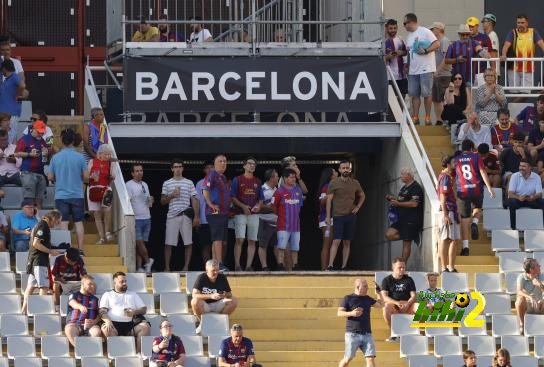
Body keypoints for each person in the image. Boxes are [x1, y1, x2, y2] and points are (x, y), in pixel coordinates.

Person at [48, 128, 88, 252]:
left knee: (63, 222)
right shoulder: (80, 157)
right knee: (78, 222)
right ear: (73, 141)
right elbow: (86, 176)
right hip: (77, 194)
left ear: (62, 141)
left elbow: (50, 177)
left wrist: (57, 178)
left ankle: (66, 249)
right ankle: (80, 249)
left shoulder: (55, 158)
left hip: (61, 195)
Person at [455, 139, 495, 256]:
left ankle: (466, 247)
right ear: (472, 148)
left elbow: (453, 174)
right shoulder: (476, 157)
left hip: (463, 190)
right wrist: (489, 188)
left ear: (462, 148)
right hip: (476, 188)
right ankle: (475, 222)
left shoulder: (457, 159)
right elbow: (483, 172)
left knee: (464, 218)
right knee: (478, 208)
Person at [326, 161, 365, 271]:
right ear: (339, 170)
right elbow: (329, 201)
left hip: (351, 215)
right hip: (338, 215)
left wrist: (358, 207)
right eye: (343, 168)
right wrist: (328, 216)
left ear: (350, 169)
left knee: (347, 241)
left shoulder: (355, 183)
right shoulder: (334, 182)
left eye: (347, 168)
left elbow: (362, 195)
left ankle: (344, 266)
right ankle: (330, 265)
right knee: (336, 240)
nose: (345, 170)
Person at [161, 159, 199, 272]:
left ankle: (186, 267)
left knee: (188, 242)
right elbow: (162, 201)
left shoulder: (189, 182)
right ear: (172, 168)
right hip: (172, 216)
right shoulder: (167, 183)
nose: (178, 169)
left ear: (182, 168)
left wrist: (196, 216)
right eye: (176, 167)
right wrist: (172, 195)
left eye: (180, 166)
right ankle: (167, 267)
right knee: (168, 243)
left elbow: (194, 199)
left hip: (186, 215)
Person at [21, 210, 62, 314]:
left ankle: (23, 311)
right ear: (53, 218)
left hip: (35, 260)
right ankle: (40, 311)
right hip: (39, 261)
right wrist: (50, 251)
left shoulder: (41, 225)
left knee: (30, 287)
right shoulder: (43, 226)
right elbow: (36, 244)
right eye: (58, 222)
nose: (58, 224)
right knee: (43, 287)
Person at [337, 279, 384, 367]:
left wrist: (379, 292)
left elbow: (381, 305)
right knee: (347, 359)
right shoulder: (348, 298)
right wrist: (352, 313)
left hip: (367, 334)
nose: (367, 288)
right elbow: (339, 313)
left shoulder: (368, 298)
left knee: (370, 358)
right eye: (365, 286)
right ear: (358, 287)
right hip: (352, 334)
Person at [403, 13, 439, 125]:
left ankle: (427, 117)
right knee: (414, 94)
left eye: (405, 23)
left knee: (426, 94)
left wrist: (426, 50)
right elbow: (409, 52)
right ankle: (415, 117)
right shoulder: (409, 36)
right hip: (413, 70)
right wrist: (407, 65)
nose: (404, 26)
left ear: (412, 22)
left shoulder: (425, 31)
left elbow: (437, 43)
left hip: (426, 69)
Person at [99, 272, 150, 352]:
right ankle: (116, 353)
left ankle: (138, 354)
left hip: (130, 325)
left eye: (125, 281)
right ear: (115, 282)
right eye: (122, 281)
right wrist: (108, 321)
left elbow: (144, 309)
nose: (125, 283)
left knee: (145, 327)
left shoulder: (133, 294)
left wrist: (134, 312)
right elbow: (102, 311)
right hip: (113, 325)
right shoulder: (107, 294)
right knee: (106, 328)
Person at [385, 168, 424, 263]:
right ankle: (412, 235)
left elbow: (414, 204)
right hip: (401, 219)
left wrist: (398, 204)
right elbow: (402, 201)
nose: (400, 176)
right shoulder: (404, 187)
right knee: (389, 234)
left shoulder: (416, 187)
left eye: (403, 174)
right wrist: (393, 199)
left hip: (411, 219)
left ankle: (403, 265)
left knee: (406, 243)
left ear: (409, 175)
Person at [231, 157, 262, 272]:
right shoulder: (237, 180)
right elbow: (233, 197)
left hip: (254, 215)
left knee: (252, 240)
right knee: (240, 239)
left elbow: (261, 199)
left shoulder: (258, 181)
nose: (252, 166)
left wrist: (258, 206)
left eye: (254, 164)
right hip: (240, 214)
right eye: (249, 164)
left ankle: (248, 266)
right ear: (244, 166)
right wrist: (243, 207)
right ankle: (237, 265)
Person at [500, 14, 544, 95]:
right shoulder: (513, 32)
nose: (520, 24)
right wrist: (503, 54)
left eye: (522, 22)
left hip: (528, 68)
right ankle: (515, 107)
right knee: (514, 92)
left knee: (525, 93)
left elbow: (541, 44)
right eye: (518, 23)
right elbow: (506, 45)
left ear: (527, 23)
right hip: (513, 68)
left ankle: (515, 107)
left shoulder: (533, 32)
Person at [191, 260, 238, 334]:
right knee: (194, 301)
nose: (216, 272)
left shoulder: (222, 277)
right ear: (207, 270)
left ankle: (220, 322)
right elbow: (194, 295)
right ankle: (202, 323)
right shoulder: (201, 277)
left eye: (217, 270)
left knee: (234, 300)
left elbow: (230, 294)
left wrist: (224, 295)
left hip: (218, 304)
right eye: (213, 270)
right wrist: (211, 296)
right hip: (205, 305)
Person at [203, 154, 231, 272]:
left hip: (224, 213)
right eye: (220, 161)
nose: (223, 163)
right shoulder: (212, 174)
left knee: (221, 240)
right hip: (215, 212)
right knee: (218, 238)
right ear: (215, 164)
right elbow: (205, 190)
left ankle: (214, 265)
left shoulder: (223, 177)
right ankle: (219, 264)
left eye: (225, 161)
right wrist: (210, 204)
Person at [273, 168, 304, 271]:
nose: (293, 179)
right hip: (283, 225)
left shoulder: (298, 190)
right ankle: (280, 264)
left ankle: (295, 265)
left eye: (294, 177)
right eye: (291, 177)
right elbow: (273, 207)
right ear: (285, 178)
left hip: (296, 225)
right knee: (281, 246)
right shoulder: (279, 191)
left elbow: (299, 206)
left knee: (295, 247)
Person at [14, 120, 50, 207]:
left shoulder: (42, 141)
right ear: (33, 129)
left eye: (42, 133)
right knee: (29, 200)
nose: (40, 134)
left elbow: (45, 160)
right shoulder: (24, 139)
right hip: (27, 172)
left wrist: (46, 153)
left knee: (39, 199)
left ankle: (38, 218)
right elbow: (16, 153)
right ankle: (27, 219)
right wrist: (29, 154)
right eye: (39, 132)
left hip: (40, 173)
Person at [381, 257, 418, 341]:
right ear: (393, 268)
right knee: (386, 308)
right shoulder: (386, 280)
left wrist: (407, 304)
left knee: (420, 307)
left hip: (408, 305)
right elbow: (385, 297)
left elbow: (413, 296)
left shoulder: (409, 279)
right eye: (399, 267)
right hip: (394, 306)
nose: (402, 269)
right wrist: (397, 303)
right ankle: (394, 332)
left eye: (403, 267)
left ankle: (413, 330)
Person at [126, 164, 154, 273]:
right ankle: (148, 261)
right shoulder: (129, 185)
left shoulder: (145, 184)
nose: (139, 172)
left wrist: (151, 200)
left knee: (141, 245)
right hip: (136, 218)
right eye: (137, 171)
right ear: (132, 173)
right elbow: (128, 202)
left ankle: (139, 268)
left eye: (141, 170)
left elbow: (148, 202)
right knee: (139, 243)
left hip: (147, 217)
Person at [87, 144, 116, 245]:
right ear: (100, 153)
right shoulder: (92, 161)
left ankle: (107, 231)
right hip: (94, 188)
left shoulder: (111, 163)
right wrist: (91, 177)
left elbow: (113, 176)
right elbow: (86, 176)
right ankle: (102, 237)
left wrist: (112, 176)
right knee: (97, 214)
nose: (108, 156)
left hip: (105, 188)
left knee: (107, 209)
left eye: (109, 154)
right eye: (107, 154)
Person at [437, 155, 461, 273]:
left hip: (450, 210)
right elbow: (443, 196)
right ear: (448, 164)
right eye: (453, 162)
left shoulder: (446, 176)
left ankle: (447, 267)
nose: (455, 164)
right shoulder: (445, 177)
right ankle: (447, 267)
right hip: (448, 211)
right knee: (449, 239)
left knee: (450, 239)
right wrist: (446, 214)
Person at [65, 275, 102, 346]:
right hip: (74, 324)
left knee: (96, 332)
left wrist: (94, 322)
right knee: (69, 330)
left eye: (93, 284)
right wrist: (80, 307)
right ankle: (80, 350)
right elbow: (72, 303)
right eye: (89, 284)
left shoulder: (95, 299)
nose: (92, 286)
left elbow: (100, 315)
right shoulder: (74, 295)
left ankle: (89, 351)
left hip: (91, 325)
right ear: (82, 284)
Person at [508, 159, 544, 229]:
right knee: (511, 202)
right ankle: (513, 227)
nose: (521, 168)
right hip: (518, 200)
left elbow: (539, 194)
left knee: (542, 202)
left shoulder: (536, 177)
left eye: (524, 166)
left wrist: (533, 197)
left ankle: (542, 227)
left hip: (531, 199)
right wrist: (519, 197)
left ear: (530, 167)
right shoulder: (515, 176)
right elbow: (510, 193)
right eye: (520, 166)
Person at [429, 21, 452, 125]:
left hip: (442, 74)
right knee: (436, 98)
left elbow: (445, 57)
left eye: (433, 29)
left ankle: (441, 120)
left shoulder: (444, 41)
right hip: (438, 73)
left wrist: (437, 70)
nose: (432, 31)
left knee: (439, 99)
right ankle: (439, 119)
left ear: (438, 29)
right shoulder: (439, 41)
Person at [515, 259, 544, 334]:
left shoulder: (542, 275)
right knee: (520, 299)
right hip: (528, 305)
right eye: (537, 265)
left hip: (540, 304)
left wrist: (540, 285)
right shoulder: (521, 277)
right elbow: (519, 291)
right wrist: (530, 297)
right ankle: (522, 324)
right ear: (531, 269)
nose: (540, 266)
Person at [258, 169, 279, 271]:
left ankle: (280, 265)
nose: (278, 178)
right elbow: (258, 207)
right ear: (272, 178)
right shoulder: (262, 190)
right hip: (264, 222)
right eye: (277, 176)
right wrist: (273, 209)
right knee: (263, 245)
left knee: (277, 245)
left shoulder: (277, 190)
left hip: (277, 222)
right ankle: (264, 267)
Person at [318, 167, 338, 271]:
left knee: (332, 244)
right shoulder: (327, 186)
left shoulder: (335, 185)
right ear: (330, 175)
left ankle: (327, 268)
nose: (337, 172)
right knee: (326, 244)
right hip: (326, 220)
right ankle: (324, 270)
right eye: (335, 171)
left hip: (334, 219)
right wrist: (332, 194)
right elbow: (322, 201)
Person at [195, 161, 214, 268]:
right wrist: (197, 217)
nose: (210, 169)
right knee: (206, 246)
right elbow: (197, 201)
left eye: (212, 167)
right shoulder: (199, 183)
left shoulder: (220, 182)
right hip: (204, 219)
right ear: (204, 170)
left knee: (219, 244)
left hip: (217, 218)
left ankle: (218, 266)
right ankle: (207, 269)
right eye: (208, 167)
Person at [466, 16, 494, 85]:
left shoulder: (484, 37)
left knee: (481, 93)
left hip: (481, 71)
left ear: (477, 26)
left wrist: (493, 69)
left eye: (472, 26)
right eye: (469, 26)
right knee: (469, 93)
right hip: (467, 72)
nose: (470, 28)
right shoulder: (465, 38)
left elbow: (491, 53)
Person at [384, 19, 408, 97]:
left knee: (402, 96)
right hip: (389, 75)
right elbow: (379, 59)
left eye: (394, 28)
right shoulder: (383, 41)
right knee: (390, 98)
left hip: (401, 74)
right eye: (390, 28)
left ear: (397, 28)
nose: (393, 30)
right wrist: (388, 56)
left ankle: (401, 109)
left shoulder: (401, 39)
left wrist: (401, 52)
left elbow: (406, 52)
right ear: (386, 28)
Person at [0, 59, 25, 125]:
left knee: (10, 134)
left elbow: (22, 85)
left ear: (4, 68)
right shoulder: (7, 79)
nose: (2, 72)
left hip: (11, 115)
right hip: (4, 115)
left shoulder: (14, 76)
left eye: (2, 70)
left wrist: (17, 95)